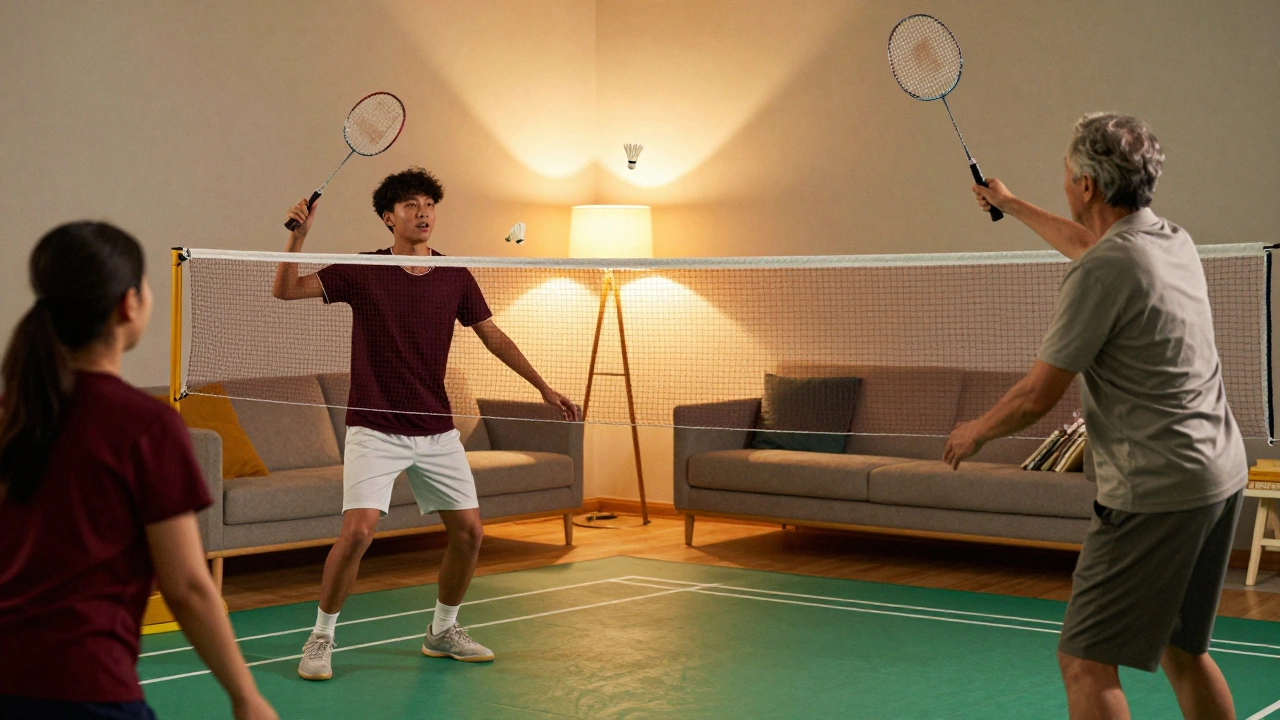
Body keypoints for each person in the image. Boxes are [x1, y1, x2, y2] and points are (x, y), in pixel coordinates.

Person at [944, 113, 1247, 720]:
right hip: (1217, 474)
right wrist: (1010, 204)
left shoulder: (1100, 273)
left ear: (1086, 185)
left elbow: (1036, 396)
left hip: (1154, 491)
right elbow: (1092, 245)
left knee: (1085, 661)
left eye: (1065, 171)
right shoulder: (1171, 240)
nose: (1063, 180)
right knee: (1183, 649)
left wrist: (975, 431)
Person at [273, 167, 580, 681]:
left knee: (470, 534)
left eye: (430, 205)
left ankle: (442, 630)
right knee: (358, 533)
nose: (423, 213)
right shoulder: (363, 270)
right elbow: (284, 290)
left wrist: (542, 387)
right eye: (411, 205)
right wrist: (298, 236)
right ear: (388, 218)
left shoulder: (454, 274)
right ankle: (321, 637)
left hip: (436, 430)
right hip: (375, 426)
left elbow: (492, 334)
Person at [0, 223, 277, 720]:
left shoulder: (11, 413)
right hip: (86, 688)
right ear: (129, 304)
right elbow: (187, 585)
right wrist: (246, 696)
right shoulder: (145, 424)